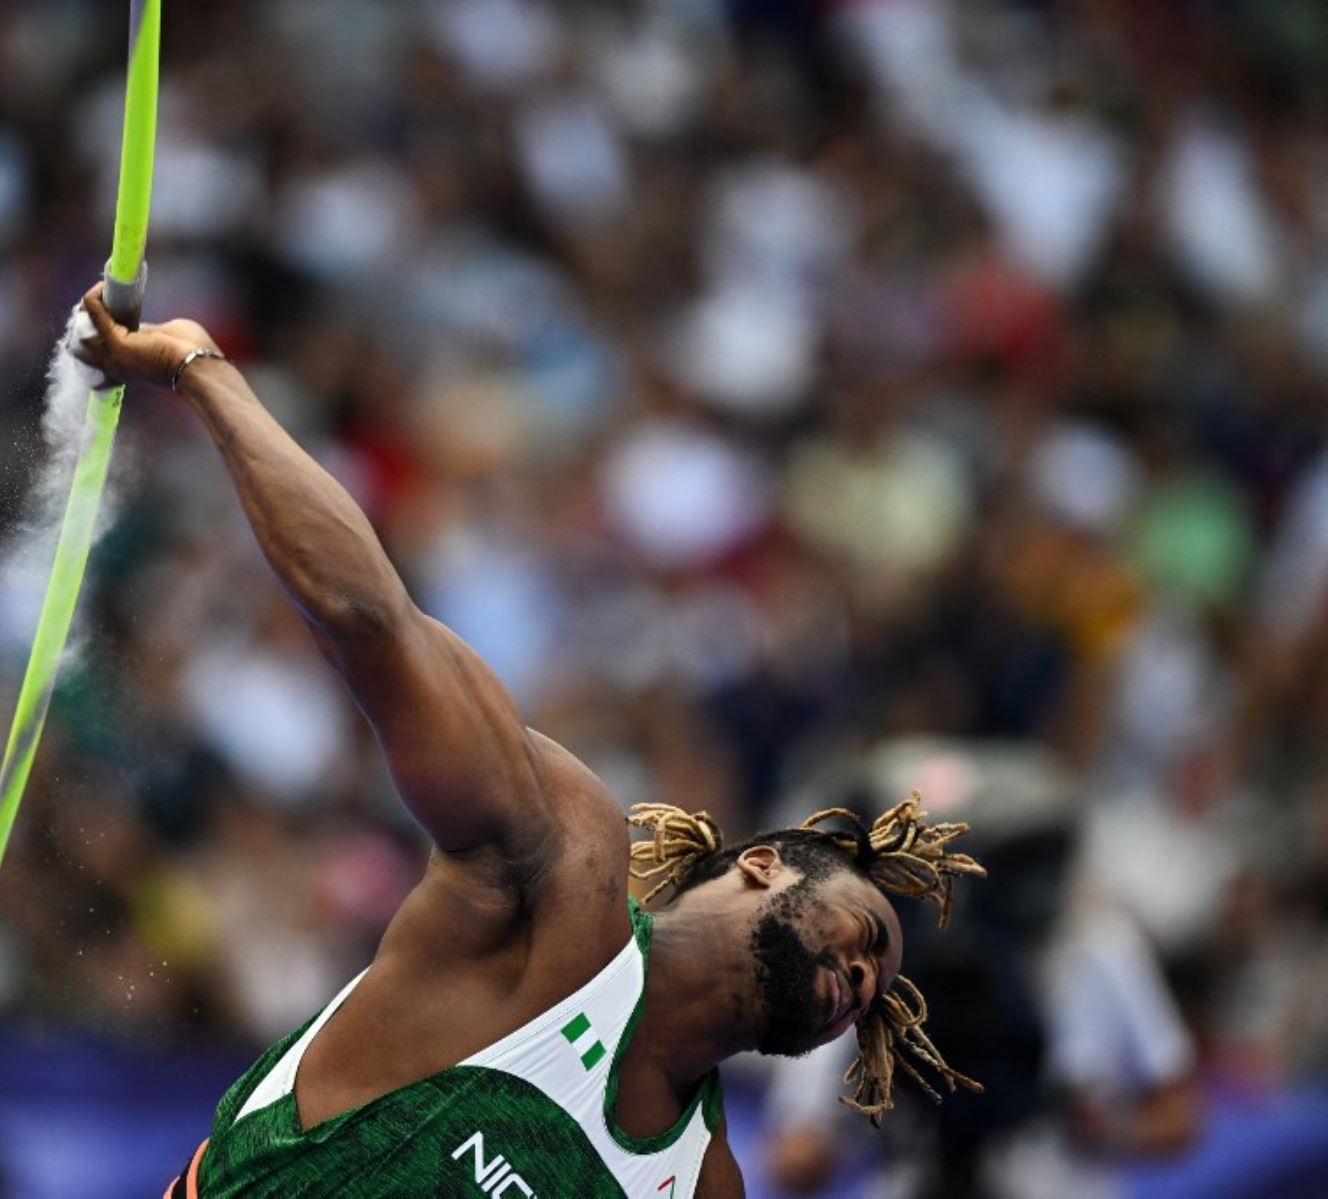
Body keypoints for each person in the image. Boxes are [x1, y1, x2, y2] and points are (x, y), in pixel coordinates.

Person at [71, 287, 986, 1198]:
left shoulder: (701, 1185)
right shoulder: (563, 871)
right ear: (762, 865)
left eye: (875, 988)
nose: (864, 978)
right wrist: (201, 369)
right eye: (865, 935)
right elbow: (371, 619)